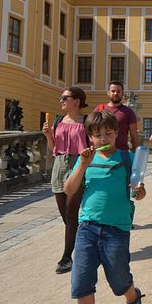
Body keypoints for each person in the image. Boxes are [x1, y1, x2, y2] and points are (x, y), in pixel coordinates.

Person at [63, 111, 147, 304]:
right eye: (98, 135)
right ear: (90, 136)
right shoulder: (86, 160)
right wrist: (82, 164)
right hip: (87, 228)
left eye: (108, 134)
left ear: (117, 133)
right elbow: (69, 189)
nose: (103, 139)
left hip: (117, 230)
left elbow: (139, 192)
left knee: (119, 281)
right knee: (82, 286)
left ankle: (132, 297)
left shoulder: (127, 160)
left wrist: (139, 192)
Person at [42, 87, 89, 274]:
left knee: (71, 213)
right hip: (59, 165)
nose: (61, 100)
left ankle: (66, 257)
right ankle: (84, 244)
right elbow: (53, 148)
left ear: (76, 101)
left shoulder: (86, 121)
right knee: (66, 216)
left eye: (65, 98)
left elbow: (93, 144)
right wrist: (47, 135)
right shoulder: (59, 120)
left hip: (78, 164)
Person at [93, 81, 139, 152]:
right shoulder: (99, 109)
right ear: (108, 93)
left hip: (121, 152)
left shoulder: (128, 112)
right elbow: (92, 131)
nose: (115, 93)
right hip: (101, 152)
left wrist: (135, 152)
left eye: (118, 91)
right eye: (113, 91)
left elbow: (134, 135)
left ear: (122, 94)